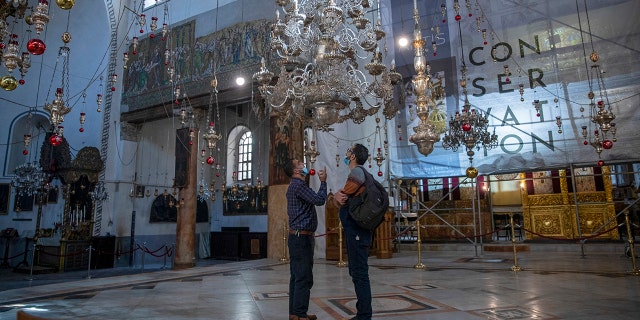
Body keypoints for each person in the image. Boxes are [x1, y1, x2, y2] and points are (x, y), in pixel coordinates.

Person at [284, 159, 327, 320]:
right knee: (304, 276)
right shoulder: (299, 185)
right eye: (300, 164)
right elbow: (319, 200)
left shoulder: (294, 186)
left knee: (296, 276)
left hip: (296, 237)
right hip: (301, 238)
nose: (303, 164)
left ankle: (295, 313)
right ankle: (300, 314)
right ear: (296, 171)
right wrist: (323, 182)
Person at [334, 143, 373, 320]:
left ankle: (364, 315)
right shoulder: (361, 173)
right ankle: (362, 313)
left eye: (349, 150)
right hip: (357, 230)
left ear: (353, 156)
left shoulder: (356, 173)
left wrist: (335, 196)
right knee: (357, 272)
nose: (347, 152)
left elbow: (342, 198)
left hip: (357, 231)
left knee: (359, 273)